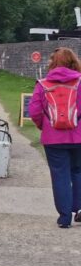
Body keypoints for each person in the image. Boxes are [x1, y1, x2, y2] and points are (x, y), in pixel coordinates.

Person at [28, 48, 81, 228]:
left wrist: (44, 126)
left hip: (53, 138)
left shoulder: (43, 84)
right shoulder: (80, 81)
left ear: (52, 63)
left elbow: (34, 111)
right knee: (78, 171)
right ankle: (79, 208)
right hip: (79, 136)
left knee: (60, 176)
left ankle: (64, 217)